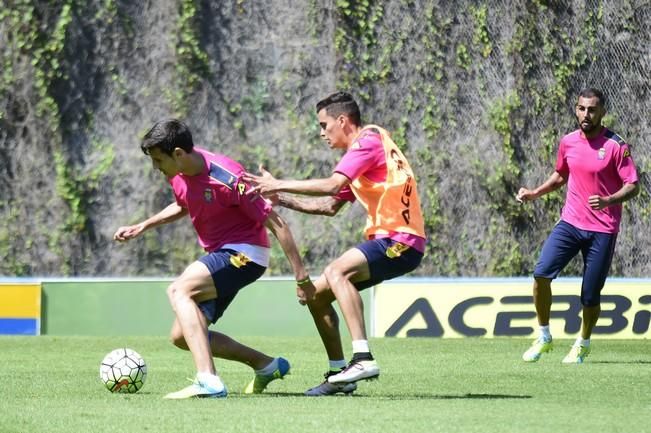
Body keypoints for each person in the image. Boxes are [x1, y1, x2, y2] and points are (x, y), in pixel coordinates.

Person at [113, 119, 315, 398]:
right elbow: (183, 204)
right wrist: (143, 226)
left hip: (246, 253)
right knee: (182, 336)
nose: (156, 168)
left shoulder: (229, 177)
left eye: (159, 160)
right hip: (220, 254)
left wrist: (302, 277)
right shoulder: (179, 175)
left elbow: (277, 223)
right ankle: (266, 365)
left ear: (179, 154)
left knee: (178, 290)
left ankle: (208, 379)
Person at [243, 91, 427, 395]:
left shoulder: (367, 140)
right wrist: (281, 198)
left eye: (324, 125)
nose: (321, 133)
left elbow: (332, 184)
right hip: (393, 241)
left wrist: (277, 183)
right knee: (316, 295)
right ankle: (340, 375)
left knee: (337, 271)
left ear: (342, 121)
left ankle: (363, 358)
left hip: (399, 239)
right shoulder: (366, 152)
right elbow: (329, 205)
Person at [516, 88, 639, 364]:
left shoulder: (616, 146)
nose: (586, 114)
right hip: (570, 223)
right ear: (576, 109)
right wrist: (535, 193)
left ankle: (583, 343)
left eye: (592, 109)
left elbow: (633, 186)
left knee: (590, 295)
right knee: (540, 275)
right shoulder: (568, 142)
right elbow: (561, 175)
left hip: (603, 230)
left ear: (602, 112)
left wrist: (608, 200)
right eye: (582, 108)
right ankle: (545, 336)